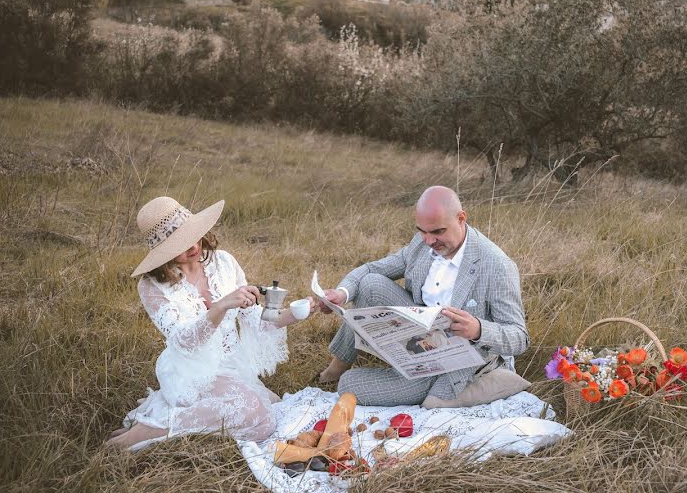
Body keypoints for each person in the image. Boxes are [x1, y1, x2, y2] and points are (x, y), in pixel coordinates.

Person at [106, 196, 314, 450]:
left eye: (192, 234)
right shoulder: (151, 287)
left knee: (276, 407)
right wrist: (221, 305)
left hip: (231, 365)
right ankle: (149, 430)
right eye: (177, 244)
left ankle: (164, 419)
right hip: (191, 370)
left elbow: (259, 322)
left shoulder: (224, 262)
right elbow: (184, 342)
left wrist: (298, 312)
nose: (192, 245)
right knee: (261, 421)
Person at [317, 186, 528, 406]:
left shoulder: (497, 265)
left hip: (456, 358)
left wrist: (478, 329)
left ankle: (463, 383)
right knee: (370, 285)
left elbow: (519, 337)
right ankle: (337, 367)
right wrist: (342, 293)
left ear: (461, 218)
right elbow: (372, 270)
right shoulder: (422, 244)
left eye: (437, 232)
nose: (428, 241)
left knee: (350, 385)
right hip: (417, 336)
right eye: (422, 231)